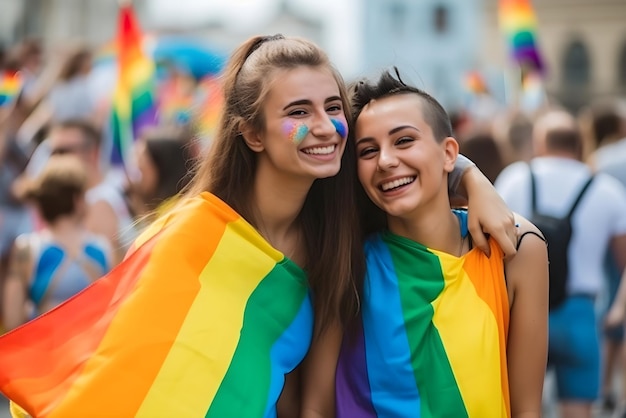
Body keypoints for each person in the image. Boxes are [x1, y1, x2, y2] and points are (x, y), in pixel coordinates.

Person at [0, 35, 517, 418]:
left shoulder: (337, 231)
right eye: (298, 111)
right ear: (251, 133)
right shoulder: (189, 235)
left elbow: (414, 166)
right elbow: (119, 374)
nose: (324, 127)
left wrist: (473, 180)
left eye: (333, 108)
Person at [300, 70, 548, 418]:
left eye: (403, 141)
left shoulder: (516, 251)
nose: (385, 160)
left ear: (449, 153)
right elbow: (315, 407)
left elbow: (527, 410)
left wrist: (470, 175)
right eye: (368, 150)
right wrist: (469, 176)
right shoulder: (346, 261)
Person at [495, 109, 626, 418]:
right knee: (578, 411)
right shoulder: (606, 189)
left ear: (540, 143)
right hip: (580, 315)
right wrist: (619, 307)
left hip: (518, 312)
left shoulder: (515, 178)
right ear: (579, 144)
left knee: (521, 409)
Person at [2, 154, 112, 330]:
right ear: (77, 200)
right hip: (92, 351)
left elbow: (12, 321)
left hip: (45, 351)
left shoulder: (26, 249)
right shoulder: (104, 248)